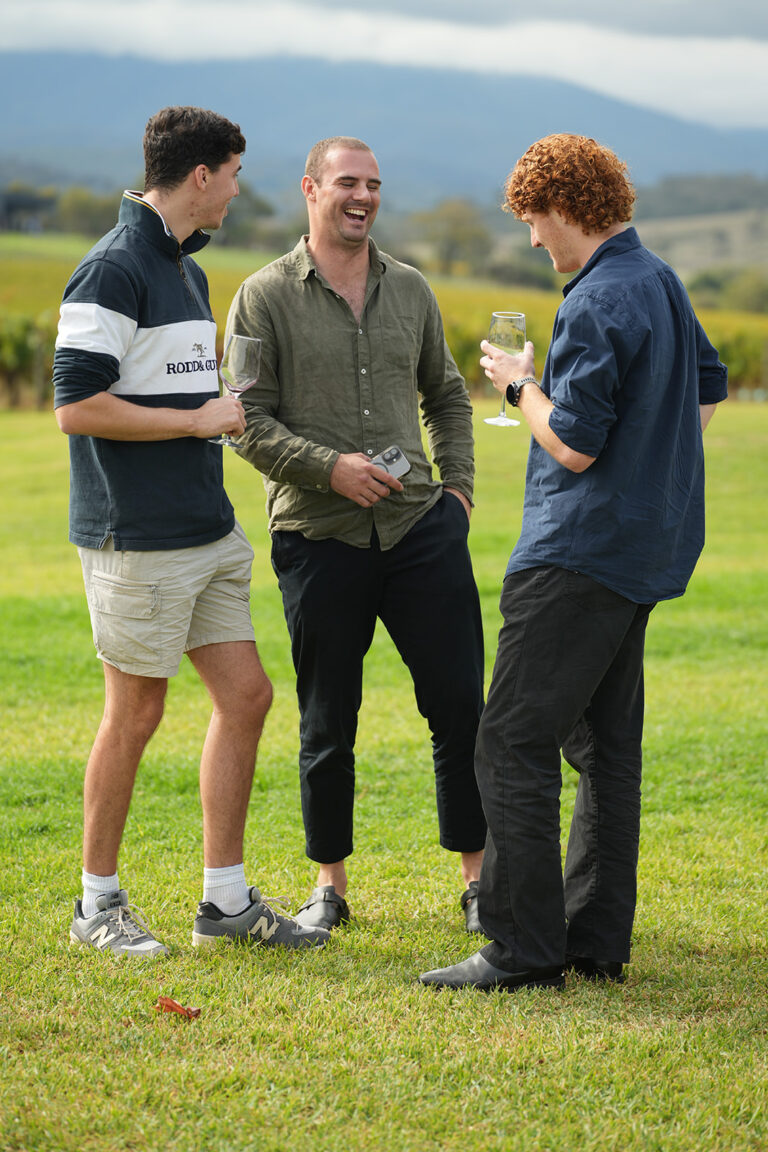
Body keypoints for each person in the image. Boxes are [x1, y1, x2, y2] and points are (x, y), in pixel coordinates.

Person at [420, 133, 728, 992]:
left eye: (530, 220)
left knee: (512, 738)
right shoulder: (659, 278)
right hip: (643, 547)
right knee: (604, 749)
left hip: (579, 551)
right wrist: (653, 467)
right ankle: (594, 942)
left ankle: (520, 951)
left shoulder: (594, 301)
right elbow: (709, 386)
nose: (530, 240)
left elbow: (576, 447)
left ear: (562, 208)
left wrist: (521, 388)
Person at [54, 106, 329, 957]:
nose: (241, 189)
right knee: (135, 713)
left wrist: (216, 413)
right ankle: (96, 906)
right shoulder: (111, 268)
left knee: (247, 697)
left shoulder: (186, 268)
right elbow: (77, 407)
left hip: (206, 530)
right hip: (135, 538)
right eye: (235, 173)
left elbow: (181, 396)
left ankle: (224, 904)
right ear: (201, 175)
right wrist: (198, 418)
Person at [225, 136, 487, 932]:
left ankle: (481, 881)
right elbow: (242, 419)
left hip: (420, 529)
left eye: (373, 184)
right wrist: (327, 467)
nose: (362, 196)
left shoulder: (410, 288)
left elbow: (446, 395)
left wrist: (461, 493)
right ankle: (329, 886)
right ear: (311, 189)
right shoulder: (260, 296)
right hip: (318, 534)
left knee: (459, 708)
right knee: (328, 718)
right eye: (346, 182)